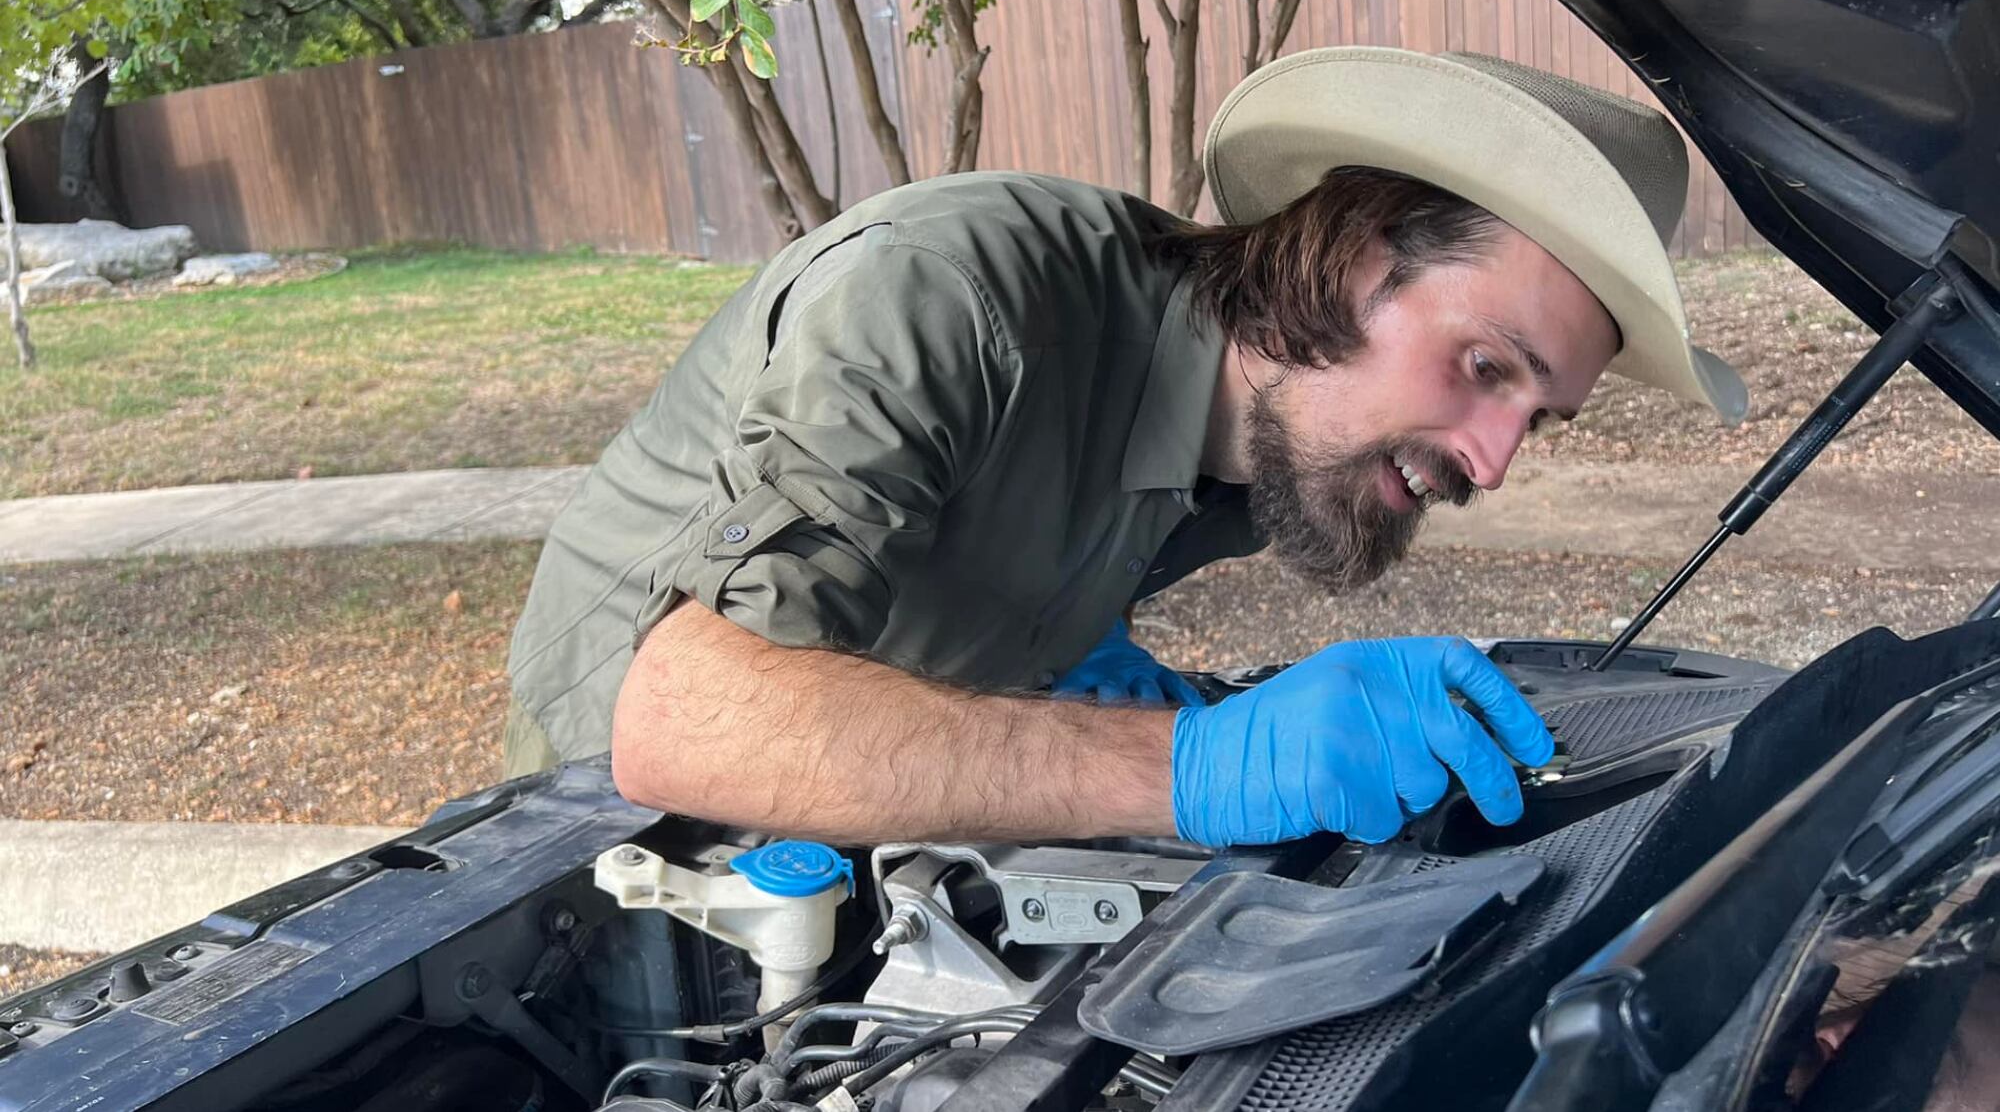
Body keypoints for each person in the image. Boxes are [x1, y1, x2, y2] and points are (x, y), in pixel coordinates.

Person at [501, 47, 1746, 849]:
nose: (1490, 463)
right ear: (1354, 254)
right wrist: (1195, 762)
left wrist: (1081, 661)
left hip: (864, 832)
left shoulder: (1265, 448)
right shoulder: (944, 299)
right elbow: (683, 717)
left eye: (1535, 416)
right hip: (585, 858)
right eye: (1486, 370)